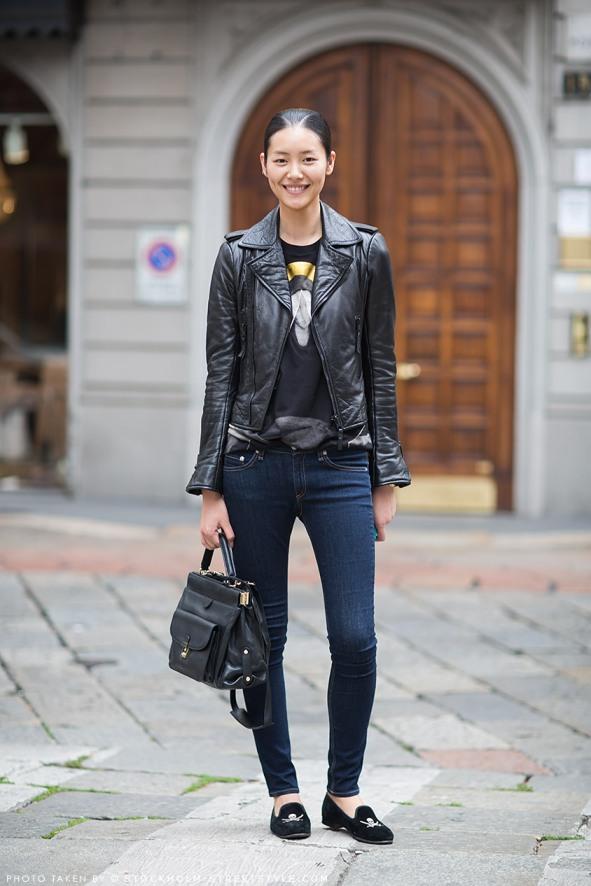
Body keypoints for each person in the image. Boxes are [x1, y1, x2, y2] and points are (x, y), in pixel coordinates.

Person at [186, 108, 411, 844]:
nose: (294, 171)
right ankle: (282, 791)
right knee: (264, 637)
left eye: (307, 157)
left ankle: (342, 792)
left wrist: (385, 476)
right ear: (263, 167)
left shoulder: (365, 251)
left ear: (329, 163)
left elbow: (379, 367)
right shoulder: (236, 256)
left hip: (342, 463)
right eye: (280, 158)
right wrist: (210, 487)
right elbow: (221, 374)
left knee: (355, 638)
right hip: (253, 466)